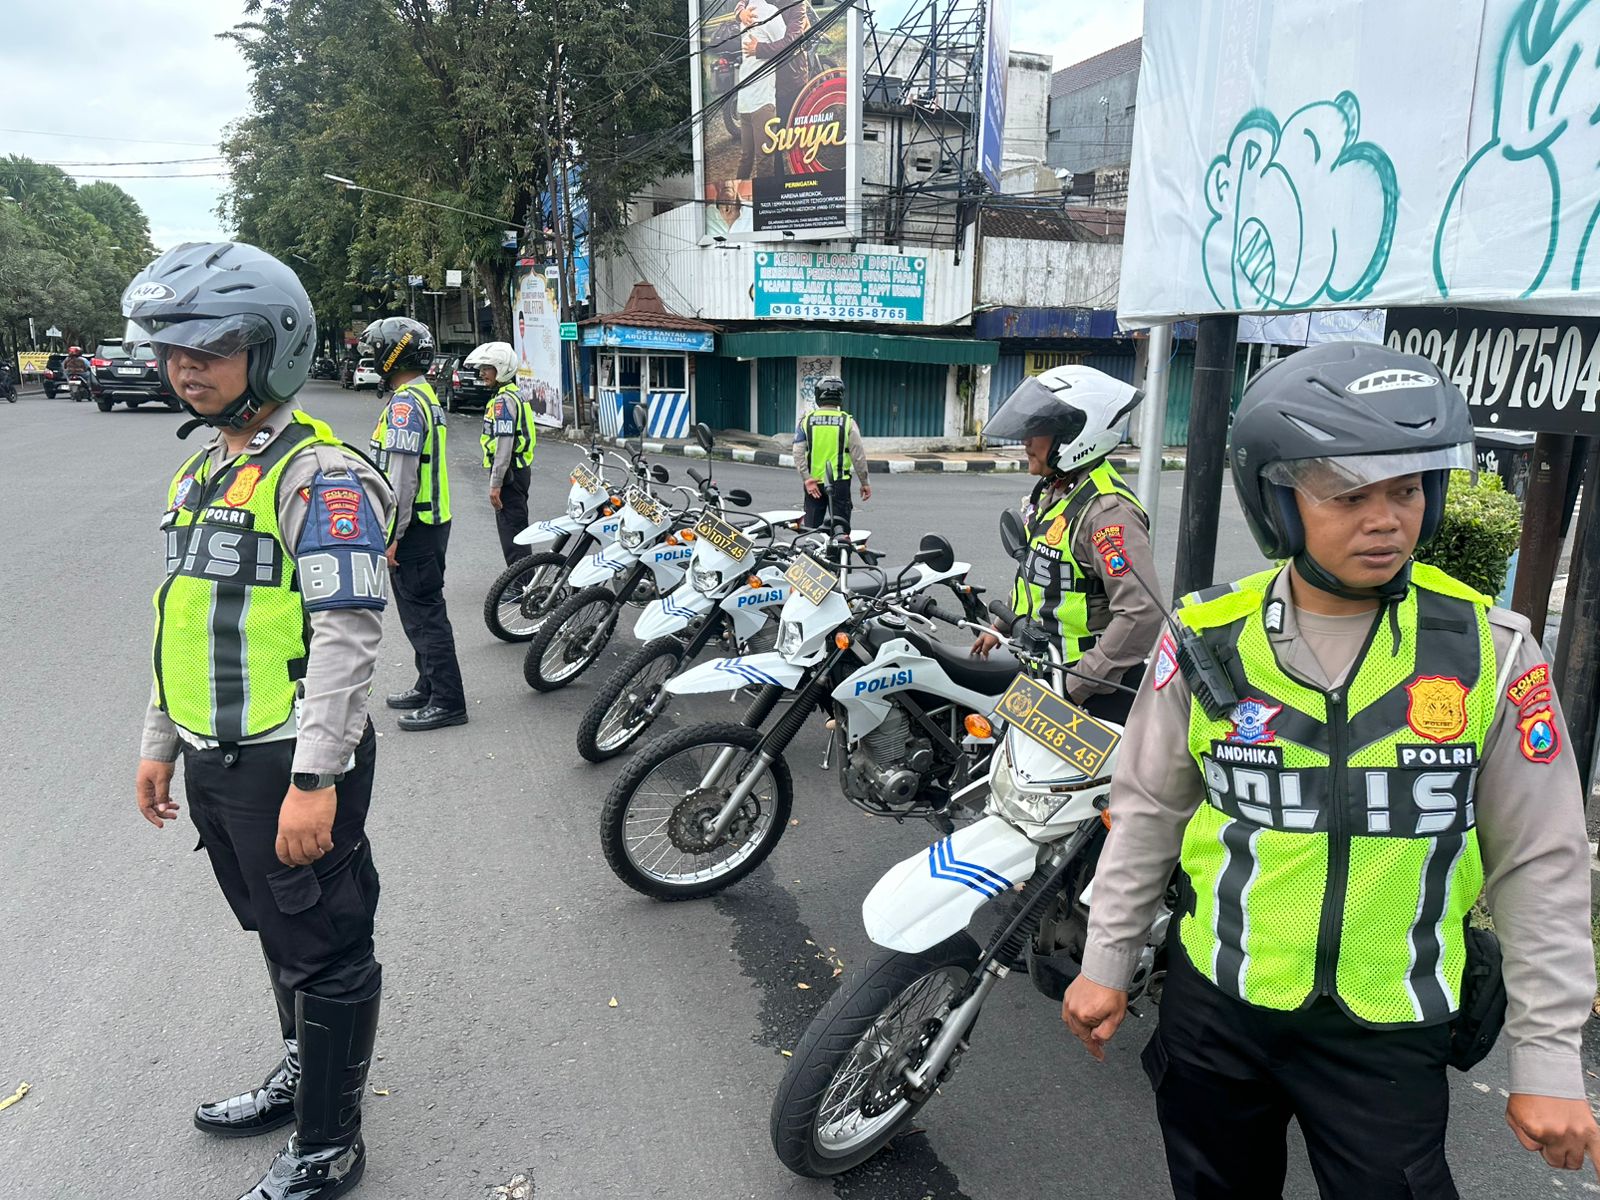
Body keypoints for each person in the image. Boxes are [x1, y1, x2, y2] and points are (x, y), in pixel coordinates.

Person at [1062, 341, 1600, 1198]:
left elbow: (1542, 861)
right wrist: (1107, 960)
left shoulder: (1489, 654)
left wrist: (1548, 1059)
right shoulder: (1206, 637)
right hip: (1220, 1007)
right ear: (1278, 503)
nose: (1387, 519)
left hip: (1389, 1029)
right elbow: (1148, 811)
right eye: (1350, 496)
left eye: (1406, 489)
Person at [126, 242, 393, 1200]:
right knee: (281, 939)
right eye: (170, 348)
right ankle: (303, 1076)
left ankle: (330, 1143)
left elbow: (348, 639)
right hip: (217, 760)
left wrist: (314, 781)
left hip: (291, 763)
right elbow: (185, 618)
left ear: (273, 348)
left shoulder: (320, 477)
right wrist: (162, 744)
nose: (184, 367)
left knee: (327, 946)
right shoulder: (202, 473)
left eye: (211, 347)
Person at [971, 365, 1160, 722]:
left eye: (1036, 430)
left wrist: (1079, 683)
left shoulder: (1108, 514)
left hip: (1089, 691)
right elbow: (1044, 576)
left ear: (1075, 434)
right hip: (1045, 669)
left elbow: (1141, 613)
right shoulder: (1057, 491)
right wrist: (1001, 626)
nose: (1026, 441)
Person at [363, 316, 468, 731]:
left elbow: (401, 480)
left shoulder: (406, 405)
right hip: (426, 525)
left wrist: (391, 537)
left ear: (393, 354)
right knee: (416, 614)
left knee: (425, 616)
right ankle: (428, 685)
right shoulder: (421, 395)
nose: (371, 357)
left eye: (376, 350)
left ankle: (448, 700)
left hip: (413, 529)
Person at [467, 340, 537, 564]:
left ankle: (520, 583)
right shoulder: (511, 395)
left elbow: (504, 445)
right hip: (515, 471)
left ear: (502, 369)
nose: (482, 373)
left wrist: (496, 483)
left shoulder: (504, 402)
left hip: (509, 474)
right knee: (514, 525)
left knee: (512, 528)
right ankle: (522, 579)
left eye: (487, 369)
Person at [794, 375, 870, 531]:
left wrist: (807, 479)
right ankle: (840, 555)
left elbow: (798, 453)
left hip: (813, 484)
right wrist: (865, 482)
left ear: (818, 395)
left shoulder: (806, 421)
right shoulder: (847, 422)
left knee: (811, 532)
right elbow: (858, 456)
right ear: (841, 396)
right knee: (841, 530)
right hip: (839, 483)